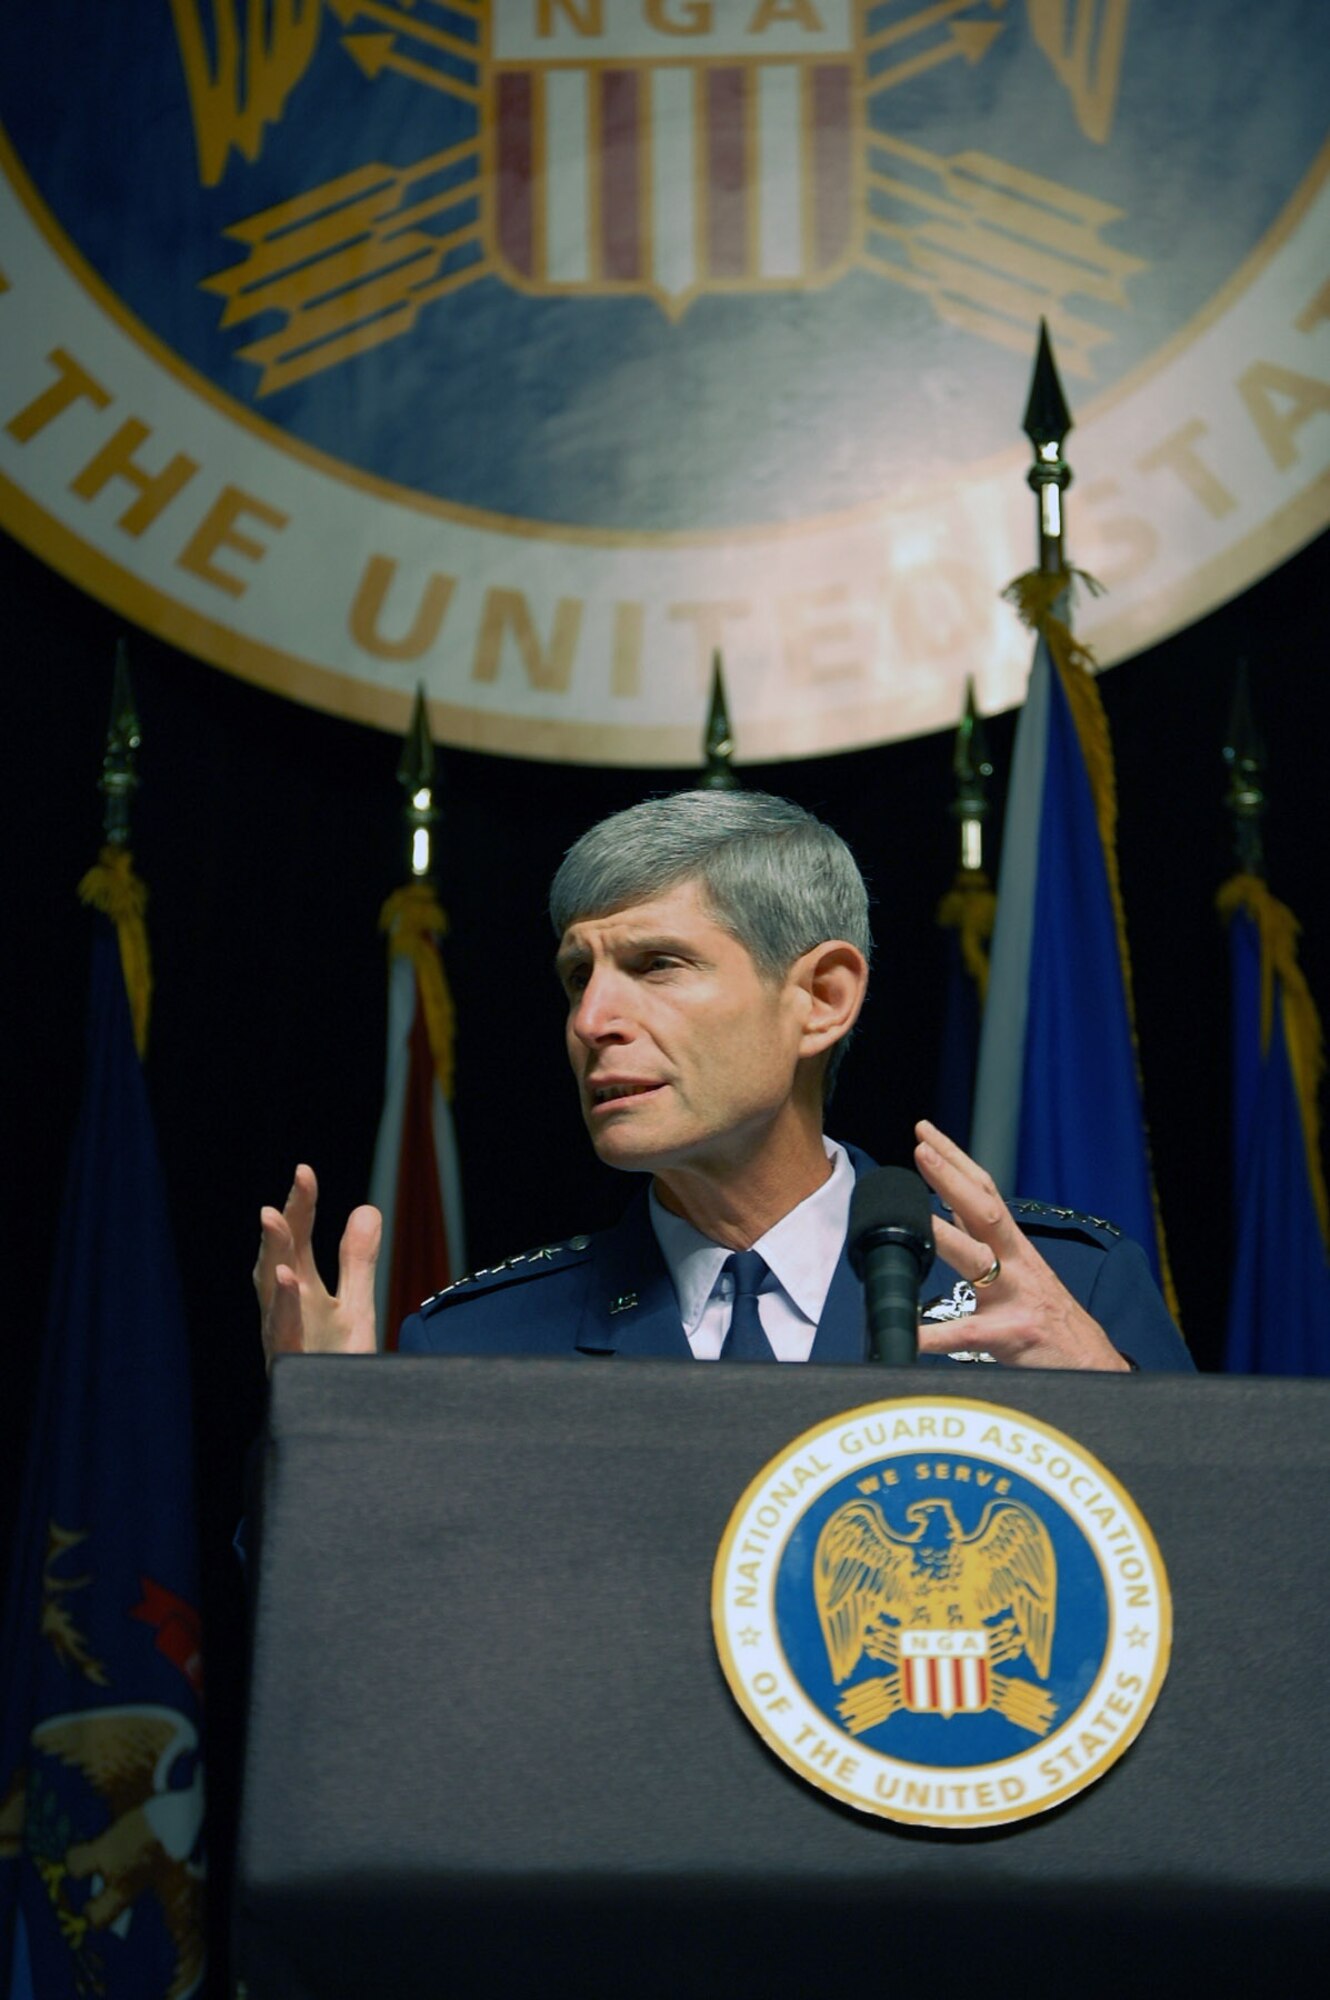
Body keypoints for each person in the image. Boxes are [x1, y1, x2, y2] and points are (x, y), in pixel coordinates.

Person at [255, 792, 1192, 1373]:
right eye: (579, 976)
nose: (591, 1022)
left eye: (657, 965)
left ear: (822, 999)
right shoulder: (475, 1348)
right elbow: (364, 1658)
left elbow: (1236, 1617)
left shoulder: (1059, 1293)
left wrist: (1117, 1411)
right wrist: (326, 1436)